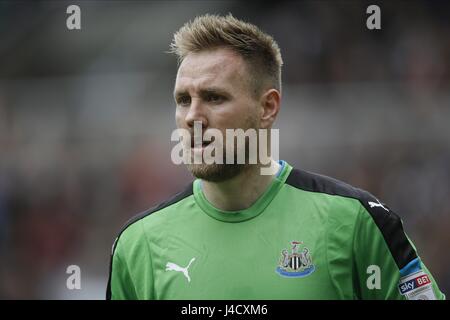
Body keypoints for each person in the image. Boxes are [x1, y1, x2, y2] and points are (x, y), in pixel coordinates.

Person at [106, 14, 445, 300]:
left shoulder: (355, 221)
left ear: (268, 107)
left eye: (214, 97)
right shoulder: (139, 246)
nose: (193, 116)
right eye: (183, 100)